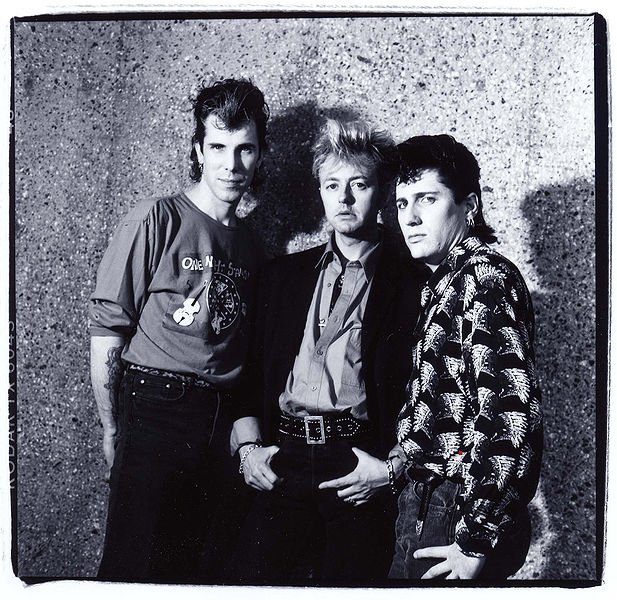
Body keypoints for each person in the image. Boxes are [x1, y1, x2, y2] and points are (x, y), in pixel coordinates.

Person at [228, 119, 426, 585]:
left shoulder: (414, 283)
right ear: (319, 190)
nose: (344, 199)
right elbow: (248, 374)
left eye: (359, 184)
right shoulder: (282, 277)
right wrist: (248, 450)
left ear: (383, 192)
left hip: (357, 464)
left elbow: (432, 391)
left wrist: (392, 467)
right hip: (282, 458)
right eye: (332, 185)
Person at [89, 78, 269, 583]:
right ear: (198, 150)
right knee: (132, 570)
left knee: (192, 574)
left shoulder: (252, 248)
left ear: (260, 155)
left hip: (219, 423)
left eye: (244, 149)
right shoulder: (157, 218)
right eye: (218, 148)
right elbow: (108, 330)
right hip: (155, 408)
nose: (231, 165)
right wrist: (112, 428)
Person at [388, 134, 543, 580]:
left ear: (469, 206)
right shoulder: (445, 282)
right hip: (432, 501)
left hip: (455, 507)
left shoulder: (484, 278)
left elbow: (512, 410)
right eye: (401, 203)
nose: (410, 217)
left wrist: (476, 537)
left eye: (427, 199)